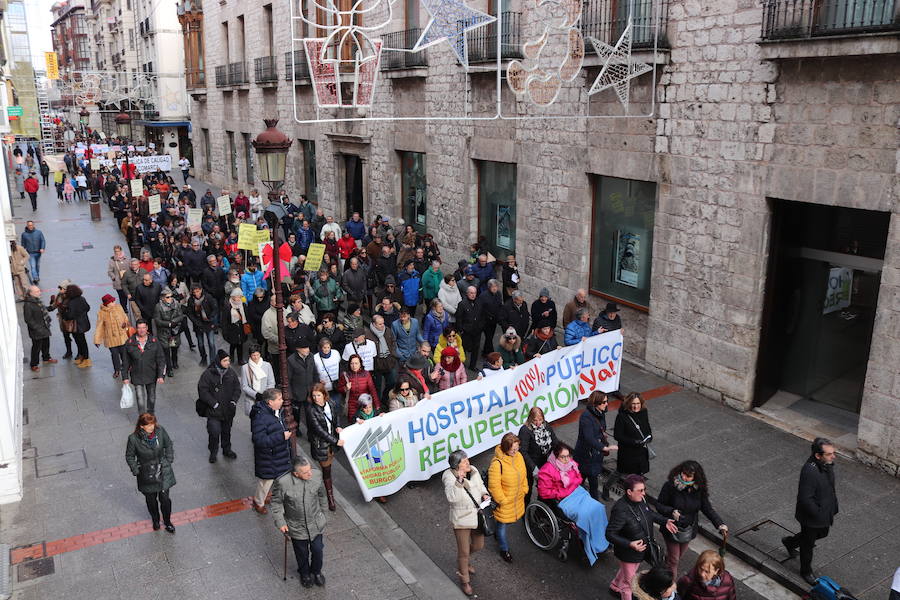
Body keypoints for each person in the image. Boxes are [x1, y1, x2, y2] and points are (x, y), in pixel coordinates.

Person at [536, 441, 610, 564]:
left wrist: (570, 486)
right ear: (555, 456)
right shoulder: (547, 470)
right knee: (585, 516)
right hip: (563, 500)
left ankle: (602, 541)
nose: (566, 459)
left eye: (568, 456)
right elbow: (544, 492)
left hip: (577, 493)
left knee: (598, 508)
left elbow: (579, 478)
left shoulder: (571, 464)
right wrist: (561, 492)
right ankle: (589, 547)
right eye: (562, 457)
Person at [606, 475, 678, 600]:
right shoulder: (620, 510)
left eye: (644, 489)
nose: (644, 493)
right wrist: (630, 544)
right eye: (640, 490)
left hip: (642, 550)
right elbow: (610, 534)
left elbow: (649, 514)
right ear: (629, 492)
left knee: (628, 571)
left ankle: (614, 586)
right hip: (629, 553)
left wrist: (664, 521)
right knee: (628, 584)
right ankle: (621, 591)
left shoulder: (640, 500)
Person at [652, 461, 728, 577]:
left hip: (688, 529)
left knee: (676, 557)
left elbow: (707, 508)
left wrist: (720, 524)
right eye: (683, 473)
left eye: (688, 476)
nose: (684, 477)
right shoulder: (670, 486)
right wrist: (671, 512)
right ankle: (669, 587)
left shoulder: (699, 490)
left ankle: (662, 568)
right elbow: (659, 505)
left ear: (695, 477)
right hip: (672, 527)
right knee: (674, 560)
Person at [782, 437, 839, 584]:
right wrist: (818, 513)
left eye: (833, 453)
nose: (834, 456)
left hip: (825, 511)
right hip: (812, 517)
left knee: (822, 533)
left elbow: (829, 487)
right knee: (808, 544)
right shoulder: (809, 471)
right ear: (818, 456)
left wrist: (833, 505)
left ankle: (790, 542)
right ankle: (806, 571)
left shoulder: (827, 464)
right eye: (829, 454)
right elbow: (805, 499)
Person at [271, 456, 329, 588]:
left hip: (316, 523)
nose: (310, 473)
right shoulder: (282, 483)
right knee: (301, 553)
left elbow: (322, 495)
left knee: (318, 550)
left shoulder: (316, 475)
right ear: (296, 473)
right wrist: (281, 522)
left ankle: (317, 571)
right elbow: (276, 503)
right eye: (305, 472)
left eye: (310, 470)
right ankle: (305, 574)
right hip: (296, 526)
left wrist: (324, 515)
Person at [443, 449, 490, 597]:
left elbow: (480, 485)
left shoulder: (473, 470)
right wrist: (460, 482)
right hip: (462, 518)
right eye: (464, 462)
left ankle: (464, 562)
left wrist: (484, 493)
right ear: (457, 466)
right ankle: (465, 580)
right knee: (463, 552)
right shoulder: (449, 477)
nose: (468, 463)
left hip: (476, 515)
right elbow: (452, 498)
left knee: (479, 545)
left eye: (467, 459)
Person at [125, 413, 176, 533]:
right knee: (151, 500)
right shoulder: (133, 439)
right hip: (146, 473)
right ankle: (155, 520)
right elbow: (129, 456)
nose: (151, 427)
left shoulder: (160, 431)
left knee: (165, 499)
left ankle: (167, 522)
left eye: (152, 424)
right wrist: (136, 470)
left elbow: (168, 444)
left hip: (163, 470)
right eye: (148, 425)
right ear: (142, 426)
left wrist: (169, 459)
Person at [249, 388, 292, 515]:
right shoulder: (261, 418)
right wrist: (281, 437)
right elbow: (259, 440)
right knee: (266, 481)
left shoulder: (277, 411)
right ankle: (258, 502)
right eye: (279, 399)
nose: (282, 401)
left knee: (278, 479)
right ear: (270, 402)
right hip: (269, 456)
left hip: (278, 453)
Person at [487, 432, 527, 563]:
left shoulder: (519, 456)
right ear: (505, 448)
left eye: (517, 448)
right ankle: (504, 549)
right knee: (502, 526)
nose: (516, 451)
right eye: (513, 449)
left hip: (516, 499)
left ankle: (498, 536)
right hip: (505, 503)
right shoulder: (497, 464)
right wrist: (502, 500)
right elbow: (494, 486)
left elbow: (524, 474)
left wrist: (525, 488)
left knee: (505, 523)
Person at [306, 383, 345, 512]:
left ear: (324, 394)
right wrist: (335, 440)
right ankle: (330, 497)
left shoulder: (331, 403)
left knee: (328, 469)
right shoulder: (311, 410)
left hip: (332, 445)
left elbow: (336, 416)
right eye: (314, 395)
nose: (316, 398)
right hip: (321, 445)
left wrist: (338, 426)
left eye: (318, 395)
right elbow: (319, 431)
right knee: (326, 471)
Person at [198, 350, 241, 463]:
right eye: (225, 360)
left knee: (226, 431)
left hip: (228, 411)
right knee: (214, 432)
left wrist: (233, 402)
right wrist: (214, 404)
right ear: (219, 361)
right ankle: (213, 451)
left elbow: (237, 388)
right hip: (214, 412)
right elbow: (203, 391)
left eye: (228, 360)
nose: (228, 363)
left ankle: (227, 450)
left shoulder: (231, 373)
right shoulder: (208, 374)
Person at [574, 392, 618, 500]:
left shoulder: (600, 413)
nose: (606, 404)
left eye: (607, 401)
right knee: (582, 481)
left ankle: (592, 503)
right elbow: (589, 438)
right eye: (604, 402)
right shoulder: (586, 417)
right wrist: (604, 448)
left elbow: (600, 431)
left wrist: (603, 441)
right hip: (586, 456)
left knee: (592, 481)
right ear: (596, 403)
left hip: (595, 455)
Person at [123, 319, 167, 413]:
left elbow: (161, 359)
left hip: (151, 374)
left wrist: (161, 375)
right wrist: (125, 377)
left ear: (147, 328)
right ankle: (142, 418)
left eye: (143, 327)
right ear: (136, 329)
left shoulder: (154, 341)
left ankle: (150, 415)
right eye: (139, 328)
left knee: (151, 397)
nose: (141, 330)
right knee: (140, 399)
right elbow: (125, 362)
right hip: (137, 375)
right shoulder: (129, 343)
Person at [518, 406, 559, 497]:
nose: (538, 423)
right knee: (528, 490)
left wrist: (556, 456)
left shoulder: (546, 426)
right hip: (530, 464)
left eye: (540, 420)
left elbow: (555, 442)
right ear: (530, 419)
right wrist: (534, 469)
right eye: (535, 420)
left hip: (544, 462)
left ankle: (539, 509)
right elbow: (523, 452)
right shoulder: (525, 430)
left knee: (543, 488)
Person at [615, 393, 653, 476]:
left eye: (638, 403)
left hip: (641, 451)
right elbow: (617, 435)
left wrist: (649, 436)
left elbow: (646, 426)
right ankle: (608, 485)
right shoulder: (622, 417)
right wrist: (634, 442)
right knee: (625, 475)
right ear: (628, 404)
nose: (636, 406)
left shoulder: (643, 412)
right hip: (628, 453)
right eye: (633, 404)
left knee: (639, 474)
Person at [94, 294, 129, 378]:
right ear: (107, 303)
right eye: (112, 301)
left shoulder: (119, 307)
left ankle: (126, 367)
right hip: (111, 338)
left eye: (114, 301)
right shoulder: (101, 313)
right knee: (114, 355)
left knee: (124, 353)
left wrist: (125, 323)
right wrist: (97, 340)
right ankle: (117, 370)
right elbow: (99, 327)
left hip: (122, 337)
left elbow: (125, 317)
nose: (114, 302)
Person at [152, 288, 185, 377]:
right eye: (168, 297)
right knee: (166, 351)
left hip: (174, 331)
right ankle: (169, 369)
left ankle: (175, 362)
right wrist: (169, 324)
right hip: (163, 332)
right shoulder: (158, 307)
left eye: (171, 296)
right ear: (163, 298)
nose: (170, 298)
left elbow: (181, 316)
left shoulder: (176, 304)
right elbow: (157, 321)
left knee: (174, 348)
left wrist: (174, 321)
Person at [337, 354, 380, 421]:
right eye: (352, 363)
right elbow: (339, 389)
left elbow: (372, 390)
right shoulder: (345, 375)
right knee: (354, 423)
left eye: (356, 363)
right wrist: (345, 388)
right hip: (352, 405)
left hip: (365, 405)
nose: (354, 366)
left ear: (360, 364)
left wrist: (377, 405)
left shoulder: (366, 374)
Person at [23, 285, 56, 371]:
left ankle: (46, 358)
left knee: (46, 344)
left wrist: (53, 305)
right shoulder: (28, 304)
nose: (40, 292)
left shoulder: (38, 301)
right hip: (36, 330)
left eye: (39, 290)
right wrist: (37, 328)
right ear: (31, 293)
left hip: (44, 327)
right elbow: (28, 319)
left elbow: (45, 309)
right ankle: (34, 364)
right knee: (36, 348)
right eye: (37, 291)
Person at [186, 285, 219, 366]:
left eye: (197, 291)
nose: (196, 294)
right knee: (200, 344)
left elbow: (215, 308)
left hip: (208, 323)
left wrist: (211, 318)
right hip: (198, 325)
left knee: (211, 343)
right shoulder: (191, 300)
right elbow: (190, 313)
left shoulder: (208, 297)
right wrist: (197, 322)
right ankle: (203, 358)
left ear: (201, 290)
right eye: (194, 292)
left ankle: (213, 361)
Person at [240, 344, 276, 417]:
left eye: (257, 355)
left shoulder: (267, 365)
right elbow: (244, 386)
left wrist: (265, 394)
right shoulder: (245, 368)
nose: (256, 357)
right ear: (250, 355)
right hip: (252, 400)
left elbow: (271, 382)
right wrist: (255, 394)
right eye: (253, 355)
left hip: (266, 398)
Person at [63, 284, 92, 368]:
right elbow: (87, 308)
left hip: (77, 325)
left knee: (81, 342)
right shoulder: (82, 298)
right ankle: (83, 358)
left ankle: (86, 359)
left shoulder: (71, 302)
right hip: (84, 322)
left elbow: (70, 315)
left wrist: (65, 314)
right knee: (82, 341)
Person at [475, 279, 503, 357]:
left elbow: (500, 305)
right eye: (492, 287)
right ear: (489, 287)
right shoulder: (483, 296)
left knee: (490, 337)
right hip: (485, 320)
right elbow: (480, 308)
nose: (494, 288)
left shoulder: (498, 294)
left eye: (496, 286)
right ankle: (491, 354)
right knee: (489, 337)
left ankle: (485, 352)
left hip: (494, 320)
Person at [222, 287, 249, 365]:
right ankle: (232, 358)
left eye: (240, 296)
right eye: (238, 296)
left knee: (240, 344)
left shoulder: (243, 305)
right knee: (233, 344)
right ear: (233, 297)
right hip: (232, 329)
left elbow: (246, 316)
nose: (239, 298)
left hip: (241, 328)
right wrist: (225, 332)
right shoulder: (228, 306)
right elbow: (224, 320)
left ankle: (240, 360)